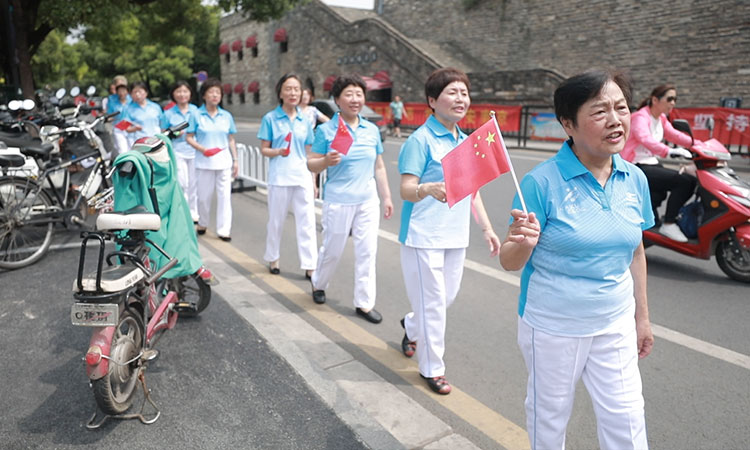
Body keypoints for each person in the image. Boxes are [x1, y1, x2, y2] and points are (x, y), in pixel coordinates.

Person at [499, 69, 654, 450]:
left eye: (621, 107)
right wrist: (523, 242)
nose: (616, 120)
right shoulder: (541, 183)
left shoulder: (635, 179)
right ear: (568, 123)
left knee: (627, 416)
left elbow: (635, 251)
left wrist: (642, 317)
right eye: (600, 112)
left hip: (614, 321)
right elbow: (509, 260)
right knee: (549, 416)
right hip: (553, 326)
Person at [397, 68, 500, 394]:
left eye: (464, 93)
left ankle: (411, 326)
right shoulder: (420, 140)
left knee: (443, 301)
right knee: (433, 306)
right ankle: (432, 368)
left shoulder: (466, 141)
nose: (461, 99)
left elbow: (474, 190)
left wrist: (486, 227)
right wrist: (427, 188)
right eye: (452, 92)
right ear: (432, 100)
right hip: (423, 234)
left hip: (455, 235)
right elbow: (406, 188)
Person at [307, 74, 394, 324]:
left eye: (359, 94)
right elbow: (311, 163)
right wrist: (325, 161)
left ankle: (364, 303)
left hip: (367, 201)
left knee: (367, 251)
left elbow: (378, 166)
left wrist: (386, 196)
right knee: (333, 249)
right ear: (337, 99)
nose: (355, 99)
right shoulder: (326, 130)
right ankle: (319, 283)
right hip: (338, 199)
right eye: (349, 94)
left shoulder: (371, 130)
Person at [258, 74, 318, 277]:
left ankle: (310, 265)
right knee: (276, 221)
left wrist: (314, 179)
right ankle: (273, 258)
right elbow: (264, 149)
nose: (293, 93)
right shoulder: (270, 118)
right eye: (288, 89)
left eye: (296, 89)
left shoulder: (305, 120)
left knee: (307, 222)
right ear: (280, 92)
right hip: (280, 176)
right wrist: (278, 151)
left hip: (302, 176)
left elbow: (310, 153)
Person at [621, 84, 696, 242]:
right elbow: (644, 138)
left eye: (675, 99)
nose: (673, 103)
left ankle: (651, 220)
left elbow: (675, 135)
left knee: (687, 182)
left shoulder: (661, 118)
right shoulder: (640, 117)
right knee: (683, 182)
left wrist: (697, 144)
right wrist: (669, 151)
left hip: (650, 163)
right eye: (669, 99)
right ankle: (668, 223)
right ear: (655, 100)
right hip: (635, 165)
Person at [185, 78, 238, 241]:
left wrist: (236, 160)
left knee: (224, 197)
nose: (215, 96)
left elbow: (230, 139)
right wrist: (202, 149)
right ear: (205, 95)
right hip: (204, 162)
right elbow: (189, 137)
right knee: (203, 197)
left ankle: (224, 230)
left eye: (218, 93)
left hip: (224, 162)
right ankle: (203, 222)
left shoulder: (226, 116)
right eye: (211, 92)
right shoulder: (196, 115)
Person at [164, 80, 200, 223]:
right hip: (177, 151)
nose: (182, 94)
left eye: (185, 91)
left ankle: (194, 211)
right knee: (182, 182)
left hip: (195, 151)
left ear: (190, 93)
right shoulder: (168, 114)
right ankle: (183, 210)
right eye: (178, 91)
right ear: (173, 94)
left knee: (194, 183)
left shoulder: (196, 111)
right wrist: (175, 133)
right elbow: (164, 133)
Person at [119, 81, 165, 148]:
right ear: (131, 95)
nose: (137, 94)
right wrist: (134, 128)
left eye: (140, 91)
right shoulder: (127, 109)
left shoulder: (155, 107)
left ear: (146, 92)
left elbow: (163, 124)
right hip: (140, 143)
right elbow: (125, 127)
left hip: (157, 141)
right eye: (134, 92)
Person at [106, 75, 131, 156]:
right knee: (123, 151)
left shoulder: (132, 98)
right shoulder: (112, 99)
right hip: (119, 127)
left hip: (132, 127)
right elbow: (109, 114)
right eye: (117, 85)